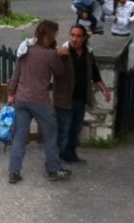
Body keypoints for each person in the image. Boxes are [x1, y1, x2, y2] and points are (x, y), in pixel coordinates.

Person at [7, 20, 71, 184]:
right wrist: (61, 55)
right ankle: (53, 169)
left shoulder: (25, 49)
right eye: (56, 32)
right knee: (50, 134)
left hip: (22, 98)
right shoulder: (51, 54)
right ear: (51, 34)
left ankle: (14, 171)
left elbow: (16, 74)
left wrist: (11, 93)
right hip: (40, 101)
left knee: (19, 136)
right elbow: (59, 72)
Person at [54, 25, 111, 163]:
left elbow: (94, 72)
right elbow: (49, 67)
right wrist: (56, 55)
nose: (74, 39)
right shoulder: (63, 52)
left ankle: (70, 155)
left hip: (80, 99)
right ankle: (54, 162)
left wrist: (103, 89)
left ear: (84, 38)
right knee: (63, 131)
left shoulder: (88, 53)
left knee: (75, 130)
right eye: (72, 35)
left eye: (78, 36)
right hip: (64, 99)